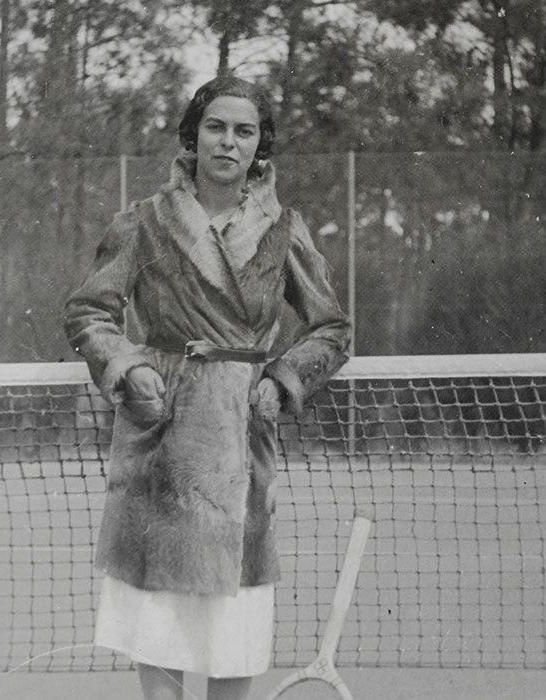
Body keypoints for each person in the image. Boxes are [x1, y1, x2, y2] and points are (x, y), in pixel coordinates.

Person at [63, 75, 351, 700]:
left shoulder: (285, 230)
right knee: (159, 628)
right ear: (193, 138)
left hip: (243, 437)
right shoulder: (142, 222)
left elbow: (332, 329)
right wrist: (127, 366)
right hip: (161, 435)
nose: (228, 142)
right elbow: (89, 314)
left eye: (243, 131)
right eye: (215, 127)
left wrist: (282, 379)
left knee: (234, 627)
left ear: (259, 146)